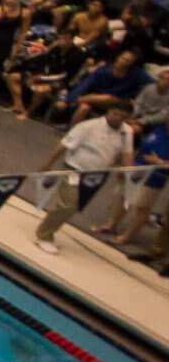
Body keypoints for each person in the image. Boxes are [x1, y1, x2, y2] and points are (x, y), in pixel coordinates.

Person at [32, 103, 135, 253]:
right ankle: (44, 236)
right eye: (116, 113)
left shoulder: (127, 131)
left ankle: (49, 230)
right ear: (109, 111)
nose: (118, 118)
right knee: (68, 205)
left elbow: (127, 154)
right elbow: (64, 145)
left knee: (74, 207)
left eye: (123, 116)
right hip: (74, 169)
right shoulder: (88, 126)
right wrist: (48, 164)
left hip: (97, 176)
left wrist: (130, 175)